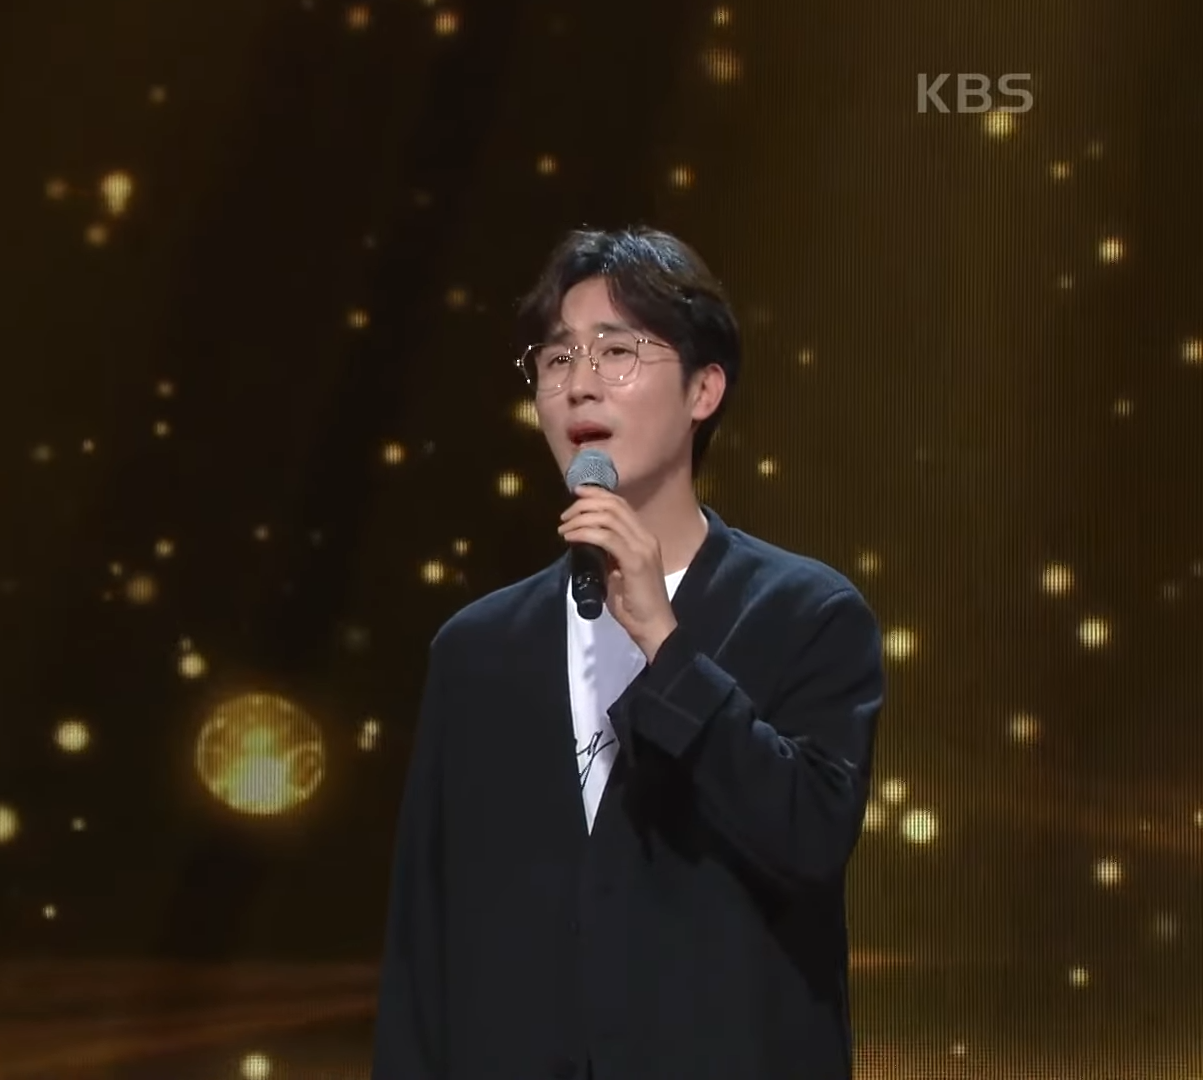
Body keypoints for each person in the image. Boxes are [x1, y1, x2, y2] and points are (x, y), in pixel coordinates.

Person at [371, 226, 885, 1080]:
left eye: (616, 352)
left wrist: (665, 645)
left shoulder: (808, 616)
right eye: (556, 358)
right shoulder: (477, 652)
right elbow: (424, 945)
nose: (580, 383)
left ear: (704, 389)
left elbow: (806, 839)